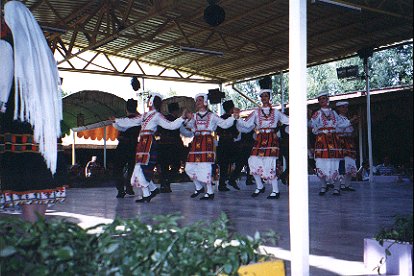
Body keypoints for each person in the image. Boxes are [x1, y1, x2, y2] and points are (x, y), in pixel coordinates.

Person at [0, 1, 66, 222]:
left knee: (27, 190)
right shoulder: (44, 54)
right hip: (45, 130)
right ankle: (38, 237)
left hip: (18, 125)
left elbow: (2, 89)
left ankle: (33, 240)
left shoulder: (7, 46)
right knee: (38, 190)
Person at [117, 93, 188, 202]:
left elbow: (171, 125)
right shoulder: (145, 115)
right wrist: (116, 121)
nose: (147, 101)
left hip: (149, 143)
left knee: (141, 168)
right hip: (143, 143)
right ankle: (151, 191)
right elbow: (131, 121)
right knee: (139, 168)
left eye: (150, 99)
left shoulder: (157, 115)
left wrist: (182, 118)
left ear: (153, 102)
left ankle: (149, 192)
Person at [234, 76, 289, 199]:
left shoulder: (276, 112)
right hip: (260, 139)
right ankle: (260, 186)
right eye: (262, 96)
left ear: (270, 97)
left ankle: (275, 190)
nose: (264, 98)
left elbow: (288, 120)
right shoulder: (256, 112)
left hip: (271, 139)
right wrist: (237, 118)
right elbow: (247, 124)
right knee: (252, 161)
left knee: (271, 163)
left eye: (266, 96)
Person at [181, 93, 236, 200]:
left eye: (200, 100)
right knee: (189, 167)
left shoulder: (212, 116)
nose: (197, 102)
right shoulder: (194, 116)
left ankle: (210, 192)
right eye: (196, 101)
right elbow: (189, 126)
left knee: (205, 167)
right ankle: (198, 187)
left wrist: (234, 117)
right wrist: (186, 119)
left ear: (205, 102)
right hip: (196, 142)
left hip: (207, 141)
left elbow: (224, 124)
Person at [310, 91, 352, 196]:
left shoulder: (334, 113)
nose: (323, 101)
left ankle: (336, 188)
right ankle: (323, 186)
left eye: (324, 98)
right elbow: (312, 125)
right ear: (318, 101)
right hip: (322, 141)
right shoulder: (317, 114)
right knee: (320, 163)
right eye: (320, 99)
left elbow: (341, 124)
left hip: (333, 140)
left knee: (334, 164)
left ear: (328, 100)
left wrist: (350, 122)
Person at [111, 99, 141, 198]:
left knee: (118, 168)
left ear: (126, 109)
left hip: (123, 146)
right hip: (133, 146)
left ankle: (121, 189)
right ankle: (128, 186)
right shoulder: (139, 119)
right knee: (132, 167)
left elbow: (122, 127)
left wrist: (114, 121)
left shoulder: (124, 121)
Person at [157, 102, 185, 193]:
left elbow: (157, 132)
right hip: (173, 146)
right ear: (176, 111)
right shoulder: (177, 120)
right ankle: (167, 182)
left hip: (163, 146)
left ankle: (164, 184)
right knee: (176, 165)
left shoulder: (162, 119)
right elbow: (181, 133)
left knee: (164, 166)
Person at [216, 100, 240, 191]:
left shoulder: (220, 118)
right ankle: (232, 178)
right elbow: (236, 132)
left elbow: (217, 131)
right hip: (230, 144)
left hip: (222, 144)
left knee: (223, 165)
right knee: (239, 160)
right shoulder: (233, 119)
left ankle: (222, 184)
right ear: (231, 109)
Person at [335, 101, 359, 191]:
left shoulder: (346, 118)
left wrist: (353, 123)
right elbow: (341, 127)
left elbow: (351, 130)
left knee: (351, 162)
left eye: (346, 107)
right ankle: (342, 184)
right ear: (339, 108)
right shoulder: (337, 118)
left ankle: (347, 184)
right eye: (343, 107)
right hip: (341, 141)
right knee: (342, 163)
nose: (345, 109)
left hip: (349, 141)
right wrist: (351, 120)